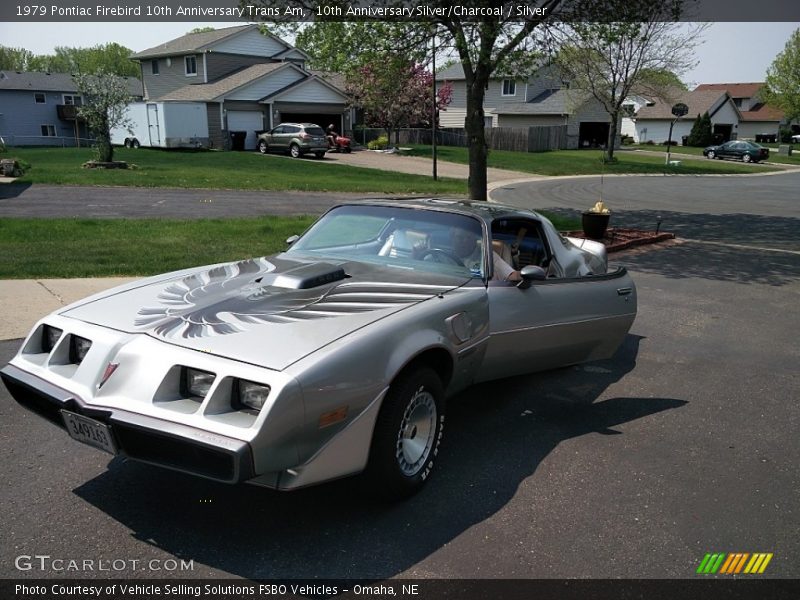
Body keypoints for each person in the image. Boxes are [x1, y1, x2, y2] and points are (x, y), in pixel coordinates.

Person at [445, 226, 522, 282]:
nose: (465, 241)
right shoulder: (442, 255)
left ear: (475, 239)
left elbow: (511, 275)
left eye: (469, 237)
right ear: (452, 239)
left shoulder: (486, 255)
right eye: (460, 237)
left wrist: (527, 275)